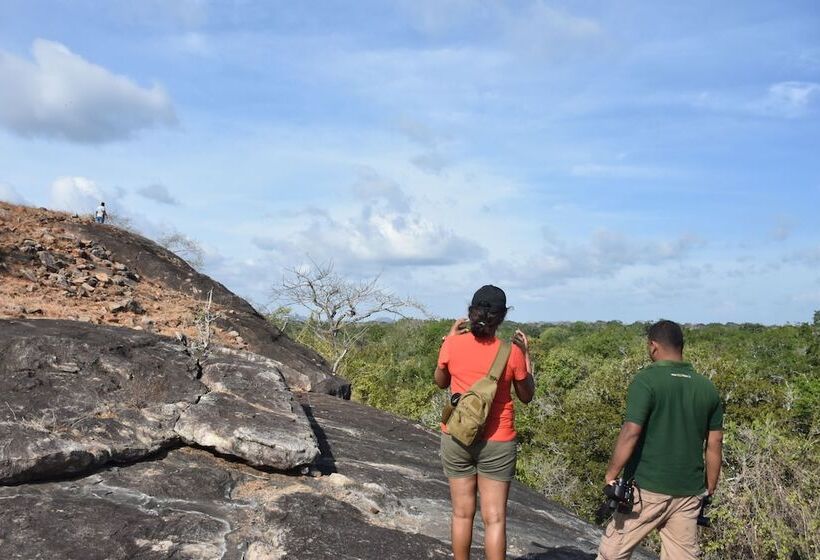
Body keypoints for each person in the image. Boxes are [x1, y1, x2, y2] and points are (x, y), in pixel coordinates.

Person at [596, 320, 724, 560]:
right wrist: (710, 486)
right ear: (681, 346)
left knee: (611, 553)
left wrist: (611, 474)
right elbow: (715, 443)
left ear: (653, 346)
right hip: (689, 492)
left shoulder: (646, 381)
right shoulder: (707, 387)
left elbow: (631, 431)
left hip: (647, 488)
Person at [434, 285, 536, 560]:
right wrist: (525, 356)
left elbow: (441, 382)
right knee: (495, 519)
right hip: (498, 440)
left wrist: (450, 340)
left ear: (471, 312)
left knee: (462, 513)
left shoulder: (452, 344)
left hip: (457, 435)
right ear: (501, 317)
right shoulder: (511, 352)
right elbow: (526, 396)